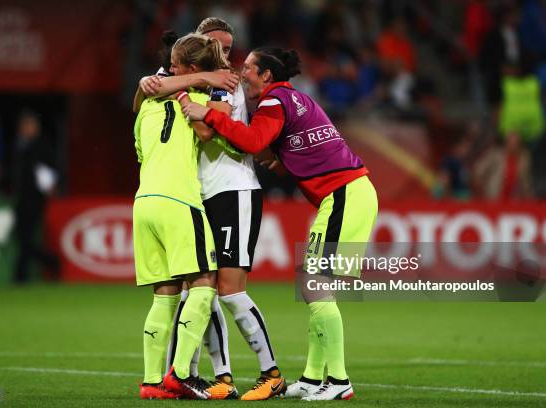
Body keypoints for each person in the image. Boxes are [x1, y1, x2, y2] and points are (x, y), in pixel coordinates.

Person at [182, 46, 378, 401]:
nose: (242, 74)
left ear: (266, 75)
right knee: (314, 286)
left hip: (344, 194)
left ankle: (339, 380)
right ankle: (312, 376)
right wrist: (284, 159)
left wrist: (207, 115)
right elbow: (300, 146)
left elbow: (254, 141)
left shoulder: (273, 103)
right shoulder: (296, 99)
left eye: (248, 68)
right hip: (351, 192)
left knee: (314, 285)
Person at [138, 17, 286, 401]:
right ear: (198, 47)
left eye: (227, 46)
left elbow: (206, 129)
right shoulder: (197, 78)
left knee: (229, 291)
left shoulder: (227, 83)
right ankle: (222, 375)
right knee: (197, 290)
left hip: (233, 190)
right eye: (214, 44)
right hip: (197, 195)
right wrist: (152, 83)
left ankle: (271, 372)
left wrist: (178, 91)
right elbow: (149, 87)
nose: (223, 53)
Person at [134, 32, 232, 400]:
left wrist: (157, 86)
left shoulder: (145, 102)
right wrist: (201, 89)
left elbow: (142, 148)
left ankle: (151, 382)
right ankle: (179, 374)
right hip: (180, 200)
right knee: (205, 283)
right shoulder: (205, 98)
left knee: (165, 293)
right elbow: (209, 132)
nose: (168, 69)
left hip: (143, 202)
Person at [12, 111, 59, 283]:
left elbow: (51, 173)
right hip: (21, 200)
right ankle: (48, 262)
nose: (28, 129)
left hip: (34, 201)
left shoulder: (40, 147)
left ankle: (21, 276)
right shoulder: (19, 146)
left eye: (31, 125)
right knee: (23, 239)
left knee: (25, 239)